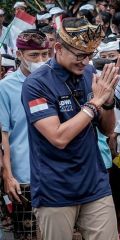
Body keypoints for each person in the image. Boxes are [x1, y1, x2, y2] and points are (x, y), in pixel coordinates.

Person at [21, 17, 118, 240]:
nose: (85, 61)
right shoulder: (36, 84)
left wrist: (109, 102)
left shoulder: (89, 74)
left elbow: (107, 130)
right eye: (79, 55)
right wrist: (95, 102)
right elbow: (58, 137)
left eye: (90, 55)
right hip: (55, 188)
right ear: (58, 48)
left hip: (94, 183)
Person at [0, 29, 50, 240]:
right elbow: (3, 135)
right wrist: (8, 176)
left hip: (55, 174)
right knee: (28, 235)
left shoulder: (54, 80)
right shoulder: (5, 87)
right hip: (24, 177)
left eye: (45, 54)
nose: (41, 60)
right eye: (34, 55)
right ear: (19, 55)